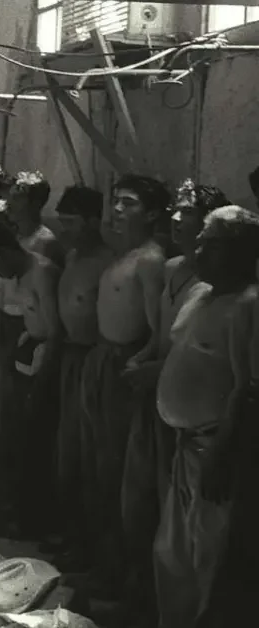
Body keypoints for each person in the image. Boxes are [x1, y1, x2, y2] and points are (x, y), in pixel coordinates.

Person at [118, 181, 229, 624]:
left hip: (193, 417)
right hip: (158, 396)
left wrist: (156, 371)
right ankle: (136, 591)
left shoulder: (219, 287)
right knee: (140, 497)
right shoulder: (172, 268)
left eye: (191, 213)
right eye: (178, 212)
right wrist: (144, 358)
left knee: (181, 524)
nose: (180, 219)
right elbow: (162, 335)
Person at [152, 205, 259, 628]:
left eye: (208, 244)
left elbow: (249, 390)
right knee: (172, 553)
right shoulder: (202, 294)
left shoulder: (250, 306)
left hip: (215, 453)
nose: (196, 250)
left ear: (240, 251)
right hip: (185, 448)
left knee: (208, 558)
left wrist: (220, 452)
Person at [81, 174, 169, 600]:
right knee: (98, 466)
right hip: (102, 360)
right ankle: (100, 559)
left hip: (123, 367)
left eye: (128, 203)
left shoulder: (151, 259)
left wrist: (137, 361)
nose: (116, 209)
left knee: (119, 474)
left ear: (151, 213)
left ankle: (122, 576)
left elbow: (158, 330)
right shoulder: (126, 254)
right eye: (115, 200)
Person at [0, 219, 62, 540]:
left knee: (32, 446)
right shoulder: (19, 275)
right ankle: (14, 508)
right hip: (27, 356)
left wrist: (42, 383)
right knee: (11, 436)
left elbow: (55, 332)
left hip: (46, 365)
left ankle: (29, 521)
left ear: (6, 251)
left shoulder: (43, 271)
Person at [51, 185, 117, 573]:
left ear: (94, 221)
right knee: (68, 454)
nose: (65, 230)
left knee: (94, 459)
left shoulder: (108, 262)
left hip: (96, 363)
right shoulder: (72, 255)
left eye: (72, 222)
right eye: (61, 222)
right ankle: (72, 536)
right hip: (68, 357)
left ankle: (94, 550)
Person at [6, 171, 64, 266]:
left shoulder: (46, 243)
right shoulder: (13, 236)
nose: (9, 203)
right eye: (10, 197)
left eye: (17, 198)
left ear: (35, 204)